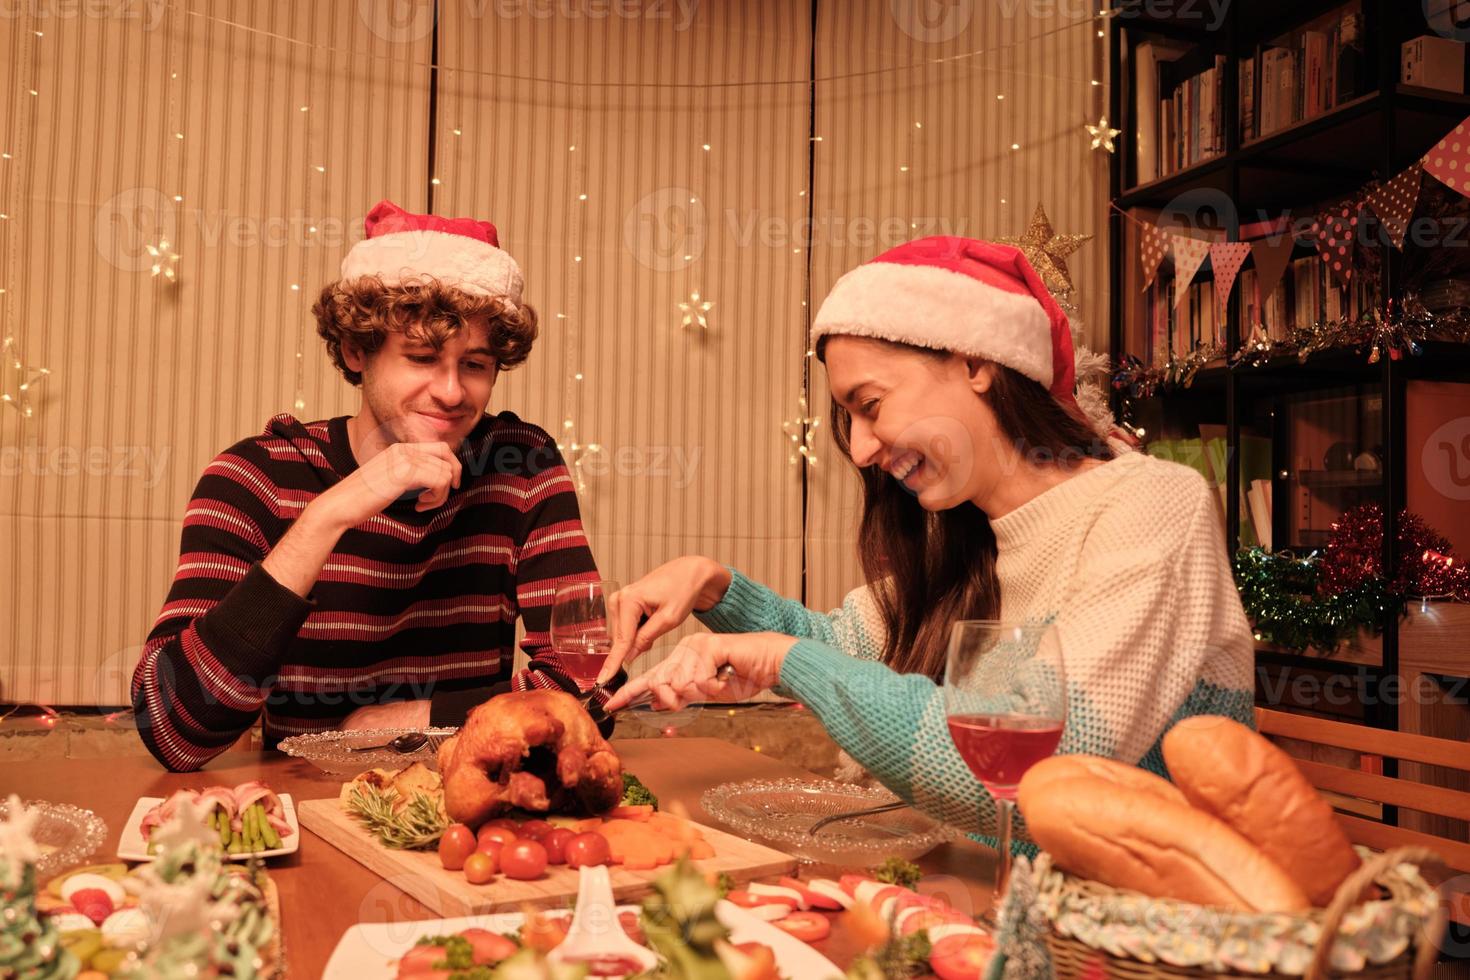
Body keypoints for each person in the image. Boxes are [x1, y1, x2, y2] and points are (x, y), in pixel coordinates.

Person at [599, 237, 1255, 839]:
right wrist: (713, 583)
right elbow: (844, 646)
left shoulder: (1151, 507)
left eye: (871, 406)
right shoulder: (974, 533)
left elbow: (1038, 771)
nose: (857, 449)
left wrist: (783, 658)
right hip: (989, 905)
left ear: (976, 362)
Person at [133, 201, 615, 772]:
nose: (453, 392)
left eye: (475, 365)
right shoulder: (254, 477)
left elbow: (588, 689)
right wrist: (328, 515)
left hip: (468, 813)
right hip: (306, 806)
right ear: (357, 350)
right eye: (422, 357)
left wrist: (410, 719)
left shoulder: (520, 465)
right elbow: (173, 728)